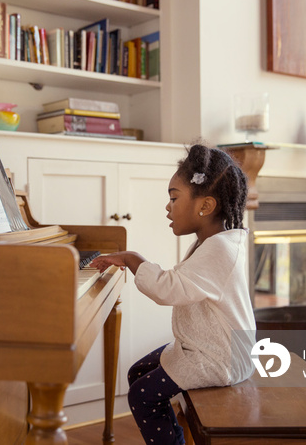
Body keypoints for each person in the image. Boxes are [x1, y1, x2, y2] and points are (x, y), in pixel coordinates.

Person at [90, 144, 256, 445]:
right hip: (207, 346)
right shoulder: (215, 242)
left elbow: (167, 289)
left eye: (174, 198)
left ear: (204, 206)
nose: (168, 207)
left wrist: (131, 258)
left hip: (221, 358)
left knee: (142, 395)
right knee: (137, 372)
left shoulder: (219, 249)